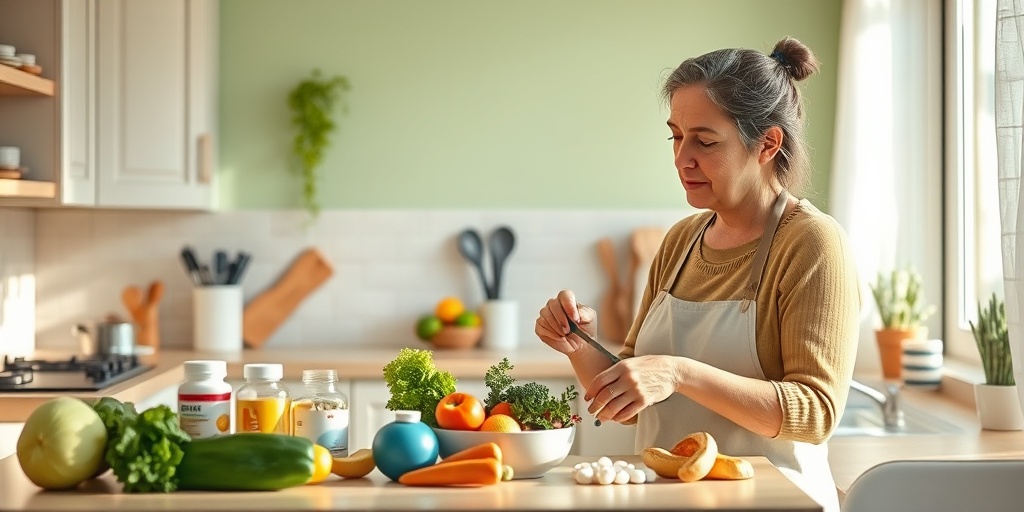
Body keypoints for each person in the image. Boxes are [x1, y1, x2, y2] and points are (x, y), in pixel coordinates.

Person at [534, 37, 859, 512]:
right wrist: (579, 344)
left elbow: (814, 413)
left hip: (776, 503)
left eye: (704, 141)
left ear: (768, 143)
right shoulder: (681, 241)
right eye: (676, 136)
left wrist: (679, 372)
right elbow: (635, 403)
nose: (681, 158)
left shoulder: (811, 243)